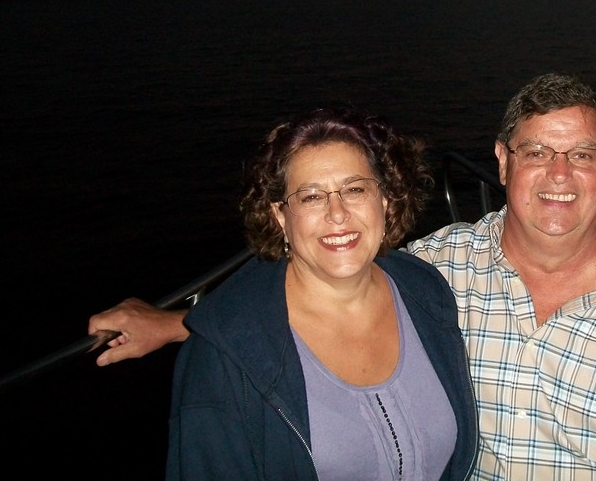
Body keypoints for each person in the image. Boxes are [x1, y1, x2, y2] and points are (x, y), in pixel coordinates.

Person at [90, 73, 596, 479]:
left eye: (581, 154)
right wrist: (178, 324)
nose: (558, 175)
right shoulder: (440, 269)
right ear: (502, 162)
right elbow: (318, 293)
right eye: (537, 152)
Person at [156, 106, 478, 480]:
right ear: (280, 216)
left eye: (355, 189)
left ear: (385, 201)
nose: (337, 213)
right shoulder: (222, 359)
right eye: (310, 197)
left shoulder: (426, 293)